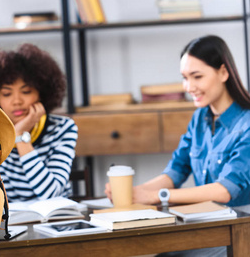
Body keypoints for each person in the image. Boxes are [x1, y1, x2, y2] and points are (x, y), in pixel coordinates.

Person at [106, 35, 250, 256]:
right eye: (184, 77)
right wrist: (135, 191)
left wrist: (157, 196)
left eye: (197, 77)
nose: (188, 87)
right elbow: (176, 171)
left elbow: (224, 191)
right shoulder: (199, 119)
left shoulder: (246, 123)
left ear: (223, 72)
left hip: (239, 231)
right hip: (206, 225)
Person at [0, 43, 78, 202]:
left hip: (55, 223)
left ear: (42, 93)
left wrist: (20, 137)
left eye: (26, 91)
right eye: (7, 93)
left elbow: (50, 194)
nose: (17, 101)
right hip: (13, 225)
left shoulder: (62, 128)